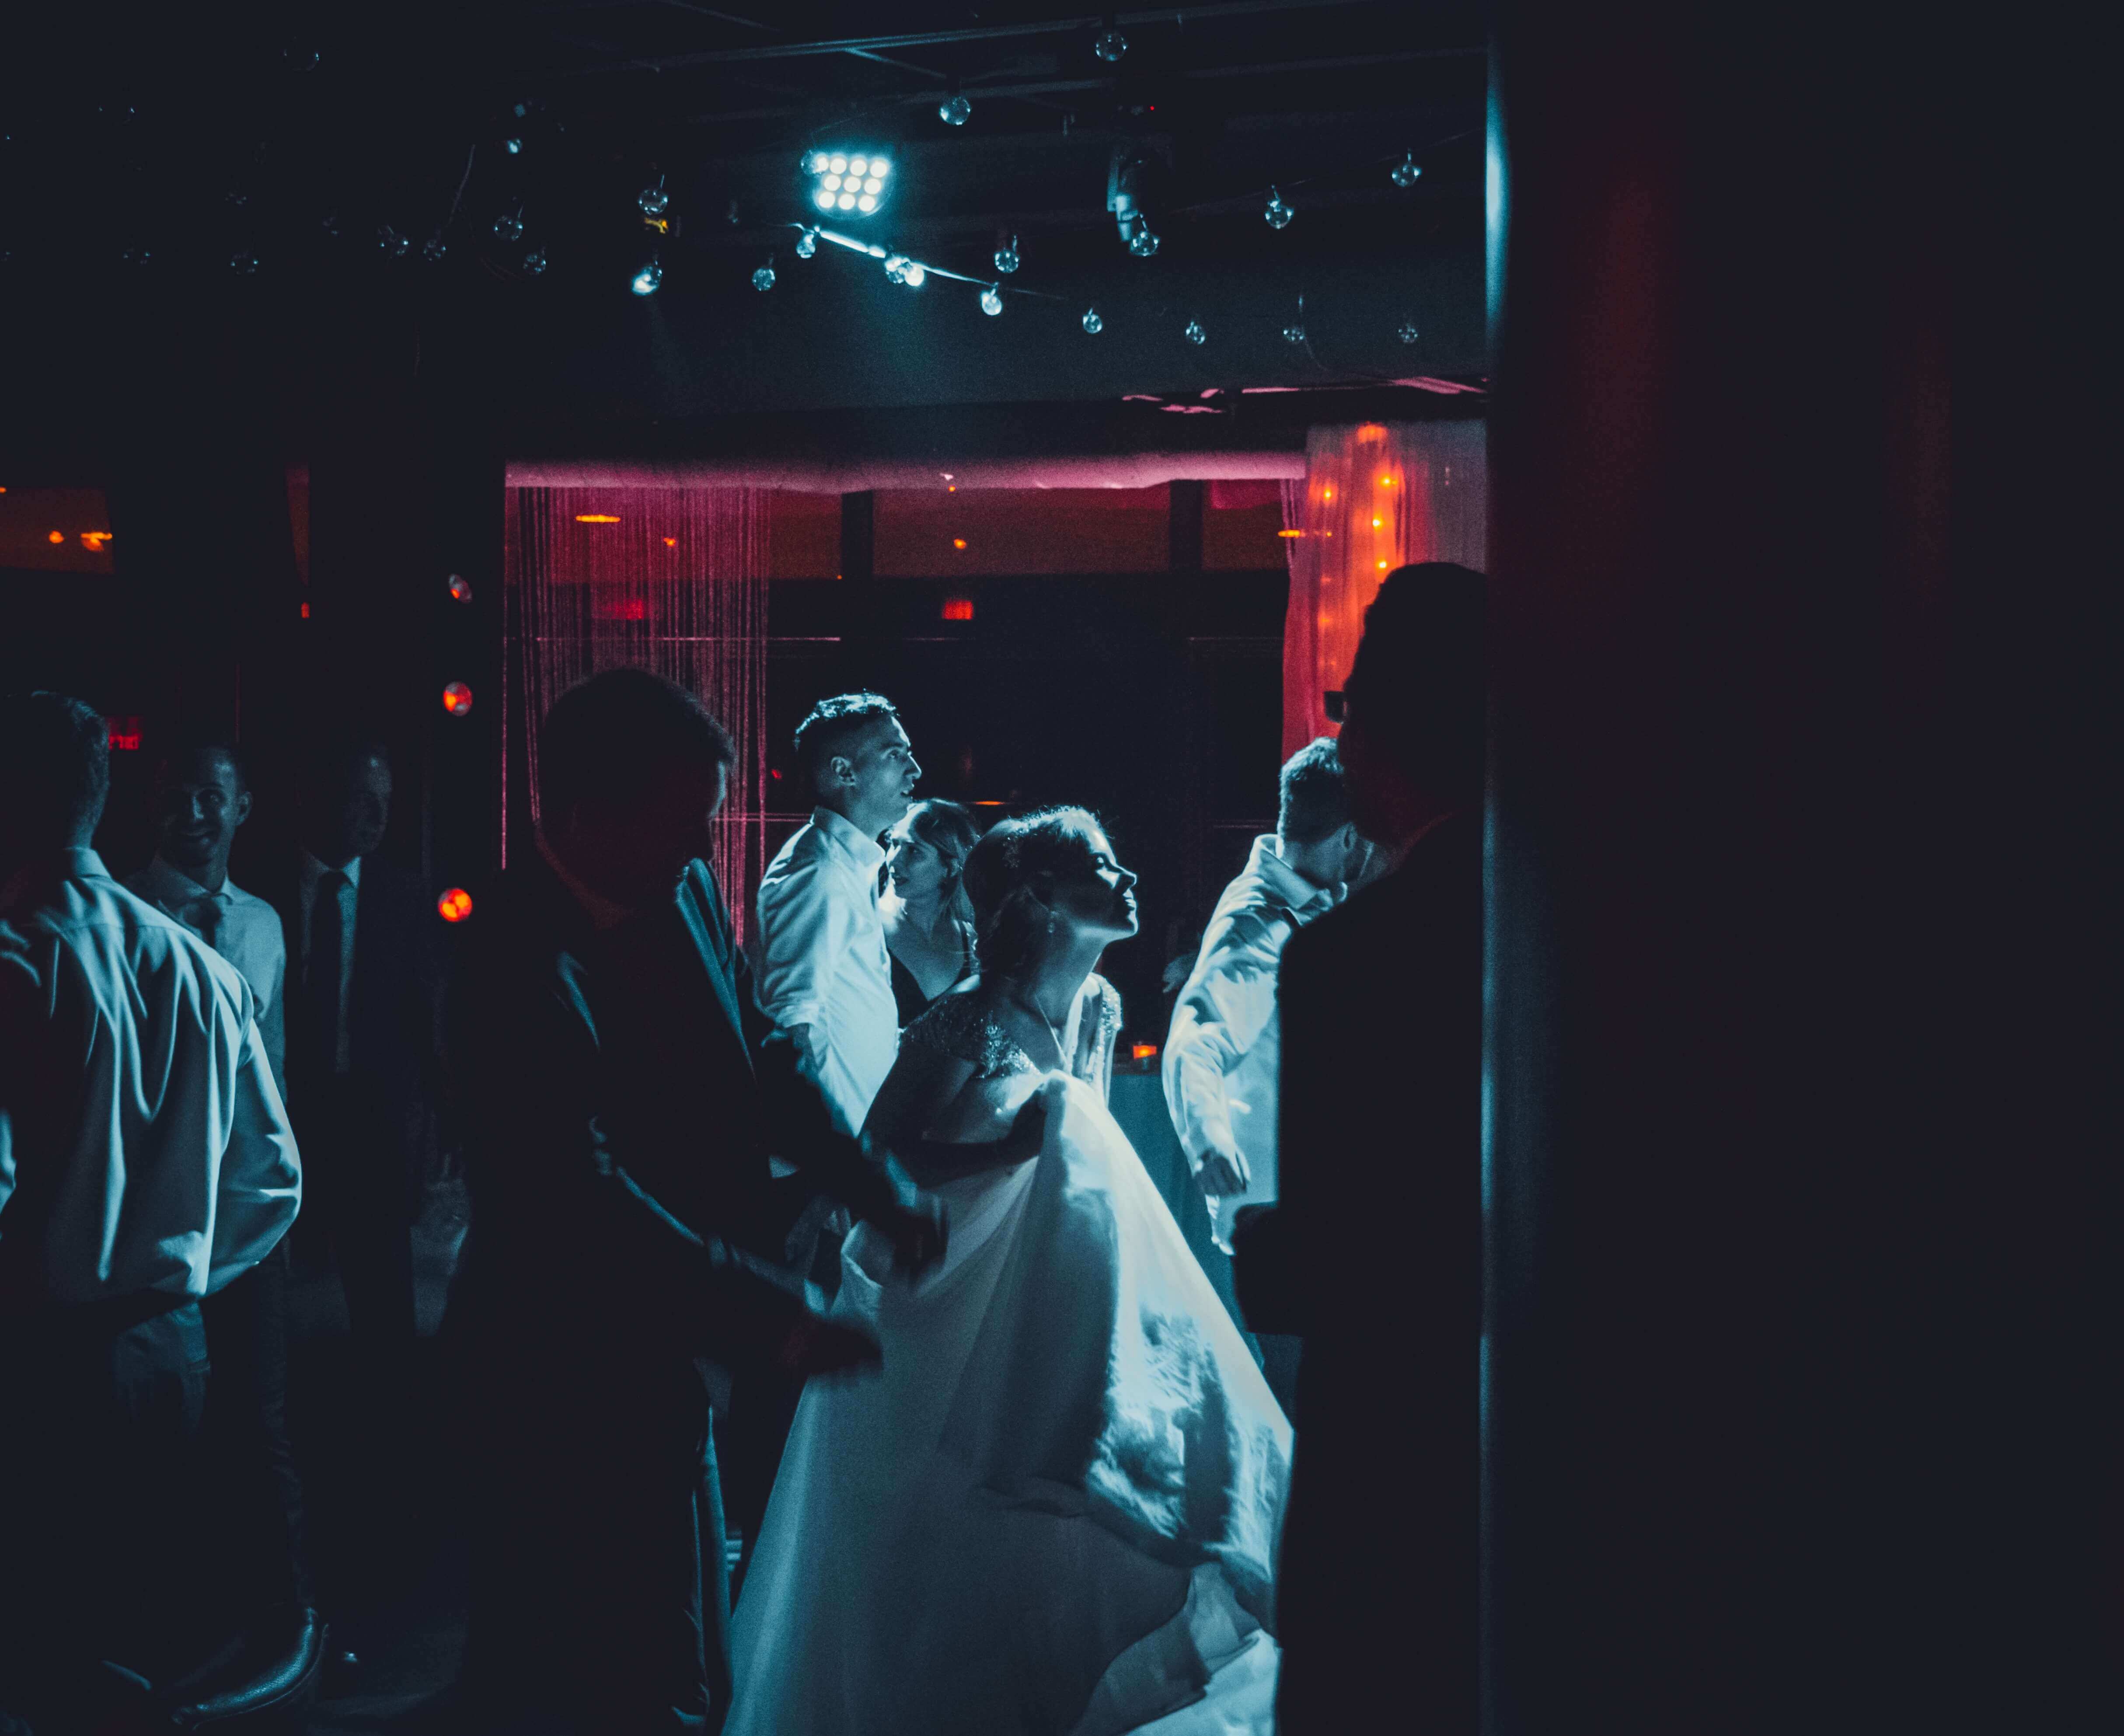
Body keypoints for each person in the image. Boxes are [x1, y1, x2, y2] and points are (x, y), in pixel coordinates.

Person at [448, 668, 945, 1736]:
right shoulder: (504, 959)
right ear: (582, 817)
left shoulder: (667, 884)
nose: (700, 851)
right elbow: (577, 1200)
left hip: (663, 1351)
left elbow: (756, 1053)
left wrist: (874, 1183)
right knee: (593, 1675)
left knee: (689, 1655)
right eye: (681, 824)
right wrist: (769, 1309)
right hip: (554, 1372)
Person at [728, 808, 1291, 1736]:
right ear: (1038, 898)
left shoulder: (1100, 1009)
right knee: (943, 1540)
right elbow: (879, 1151)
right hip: (941, 1310)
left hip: (1047, 1299)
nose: (1128, 877)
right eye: (1102, 865)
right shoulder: (966, 1019)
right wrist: (1004, 1149)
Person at [0, 692, 302, 1728]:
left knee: (41, 1642)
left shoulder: (15, 962)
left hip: (40, 1349)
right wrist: (171, 1278)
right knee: (143, 1632)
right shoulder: (204, 971)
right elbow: (271, 1182)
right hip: (169, 1348)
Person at [1231, 563, 1486, 1733]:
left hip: (1399, 1429)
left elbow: (1337, 1254)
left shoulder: (1358, 952)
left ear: (1386, 738)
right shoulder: (1597, 908)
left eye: (1351, 713)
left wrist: (1260, 1249)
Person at [126, 740, 321, 1691]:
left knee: (264, 1414)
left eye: (215, 796)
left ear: (244, 808)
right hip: (153, 1219)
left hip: (246, 1219)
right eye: (180, 796)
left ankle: (287, 1618)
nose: (196, 814)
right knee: (170, 1421)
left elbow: (274, 1071)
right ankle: (182, 1626)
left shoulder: (264, 922)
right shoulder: (122, 919)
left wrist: (280, 1197)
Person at [1163, 737, 1366, 1421]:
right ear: (1346, 835)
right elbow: (1196, 1035)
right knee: (1302, 1413)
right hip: (1282, 1210)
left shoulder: (1305, 900)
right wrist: (1209, 1139)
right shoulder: (1262, 920)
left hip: (1303, 1206)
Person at [256, 737, 442, 1351]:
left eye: (384, 801)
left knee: (384, 1305)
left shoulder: (405, 895)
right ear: (317, 800)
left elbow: (427, 1022)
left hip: (373, 1126)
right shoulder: (261, 888)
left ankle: (388, 1427)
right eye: (361, 799)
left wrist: (434, 1127)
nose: (377, 816)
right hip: (281, 1118)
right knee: (271, 1301)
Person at [755, 691, 921, 1132]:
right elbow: (788, 1027)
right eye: (895, 754)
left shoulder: (850, 866)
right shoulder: (820, 872)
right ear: (844, 771)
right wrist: (825, 1165)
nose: (915, 770)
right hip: (825, 1170)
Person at [880, 797, 980, 1025]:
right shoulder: (868, 925)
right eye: (894, 844)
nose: (893, 861)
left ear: (950, 867)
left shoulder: (971, 940)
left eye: (914, 851)